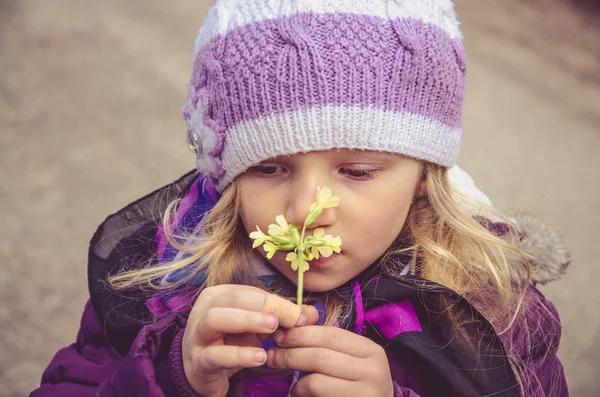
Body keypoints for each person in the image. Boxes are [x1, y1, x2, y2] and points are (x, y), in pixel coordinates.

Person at [31, 1, 571, 396]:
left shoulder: (490, 308)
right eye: (268, 168)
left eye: (357, 171)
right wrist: (172, 375)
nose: (305, 211)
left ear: (425, 176)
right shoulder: (161, 282)